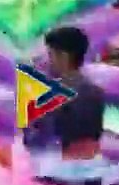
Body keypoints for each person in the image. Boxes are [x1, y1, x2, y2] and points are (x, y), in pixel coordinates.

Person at [42, 25, 105, 158]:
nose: (48, 61)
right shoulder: (96, 91)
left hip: (63, 167)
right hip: (92, 164)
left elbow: (45, 135)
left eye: (50, 54)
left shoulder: (56, 94)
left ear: (63, 56)